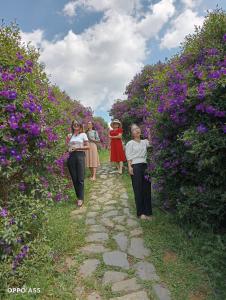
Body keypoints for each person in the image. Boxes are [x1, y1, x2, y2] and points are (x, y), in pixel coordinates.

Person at [125, 124, 152, 220]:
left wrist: (149, 132)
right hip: (135, 166)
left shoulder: (145, 142)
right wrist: (129, 167)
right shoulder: (130, 143)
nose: (137, 130)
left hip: (145, 166)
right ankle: (141, 213)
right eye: (134, 129)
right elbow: (128, 156)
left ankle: (148, 212)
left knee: (147, 189)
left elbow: (152, 142)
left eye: (137, 128)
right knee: (138, 189)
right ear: (132, 133)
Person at [66, 120, 89, 207]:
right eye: (74, 124)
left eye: (77, 124)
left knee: (80, 178)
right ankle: (78, 196)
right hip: (71, 156)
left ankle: (81, 198)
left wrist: (77, 147)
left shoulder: (83, 134)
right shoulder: (70, 135)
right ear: (72, 126)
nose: (75, 125)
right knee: (74, 178)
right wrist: (68, 144)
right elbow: (67, 146)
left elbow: (88, 147)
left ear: (80, 126)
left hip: (79, 155)